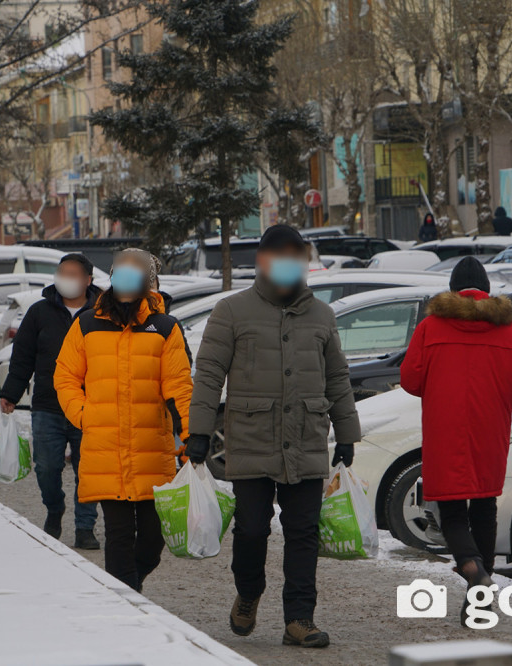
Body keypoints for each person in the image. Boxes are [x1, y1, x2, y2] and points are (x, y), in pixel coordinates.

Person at [185, 224, 361, 649]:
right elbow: (208, 375)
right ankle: (248, 592)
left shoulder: (322, 314)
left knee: (303, 532)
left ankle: (299, 618)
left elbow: (336, 377)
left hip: (306, 438)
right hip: (251, 438)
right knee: (250, 530)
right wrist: (199, 432)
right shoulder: (231, 311)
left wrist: (347, 432)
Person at [400, 256, 512, 625]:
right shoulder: (510, 331)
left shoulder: (431, 327)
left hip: (445, 430)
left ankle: (472, 566)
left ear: (453, 289)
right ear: (487, 291)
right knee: (484, 508)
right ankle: (479, 602)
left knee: (451, 509)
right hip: (489, 431)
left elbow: (411, 380)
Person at [55, 248, 193, 592]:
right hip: (106, 447)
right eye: (122, 270)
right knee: (117, 534)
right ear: (112, 276)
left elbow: (179, 387)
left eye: (136, 271)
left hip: (151, 449)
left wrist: (191, 436)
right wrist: (84, 414)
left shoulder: (164, 328)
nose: (128, 277)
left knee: (151, 539)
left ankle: (131, 584)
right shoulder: (86, 323)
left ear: (148, 281)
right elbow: (66, 376)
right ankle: (126, 602)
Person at [0, 253, 102, 549]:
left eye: (73, 273)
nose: (66, 278)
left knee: (89, 470)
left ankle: (85, 526)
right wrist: (10, 394)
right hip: (48, 403)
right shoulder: (39, 312)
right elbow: (22, 357)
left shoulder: (101, 313)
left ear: (88, 281)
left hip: (90, 406)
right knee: (46, 466)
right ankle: (55, 509)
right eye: (62, 272)